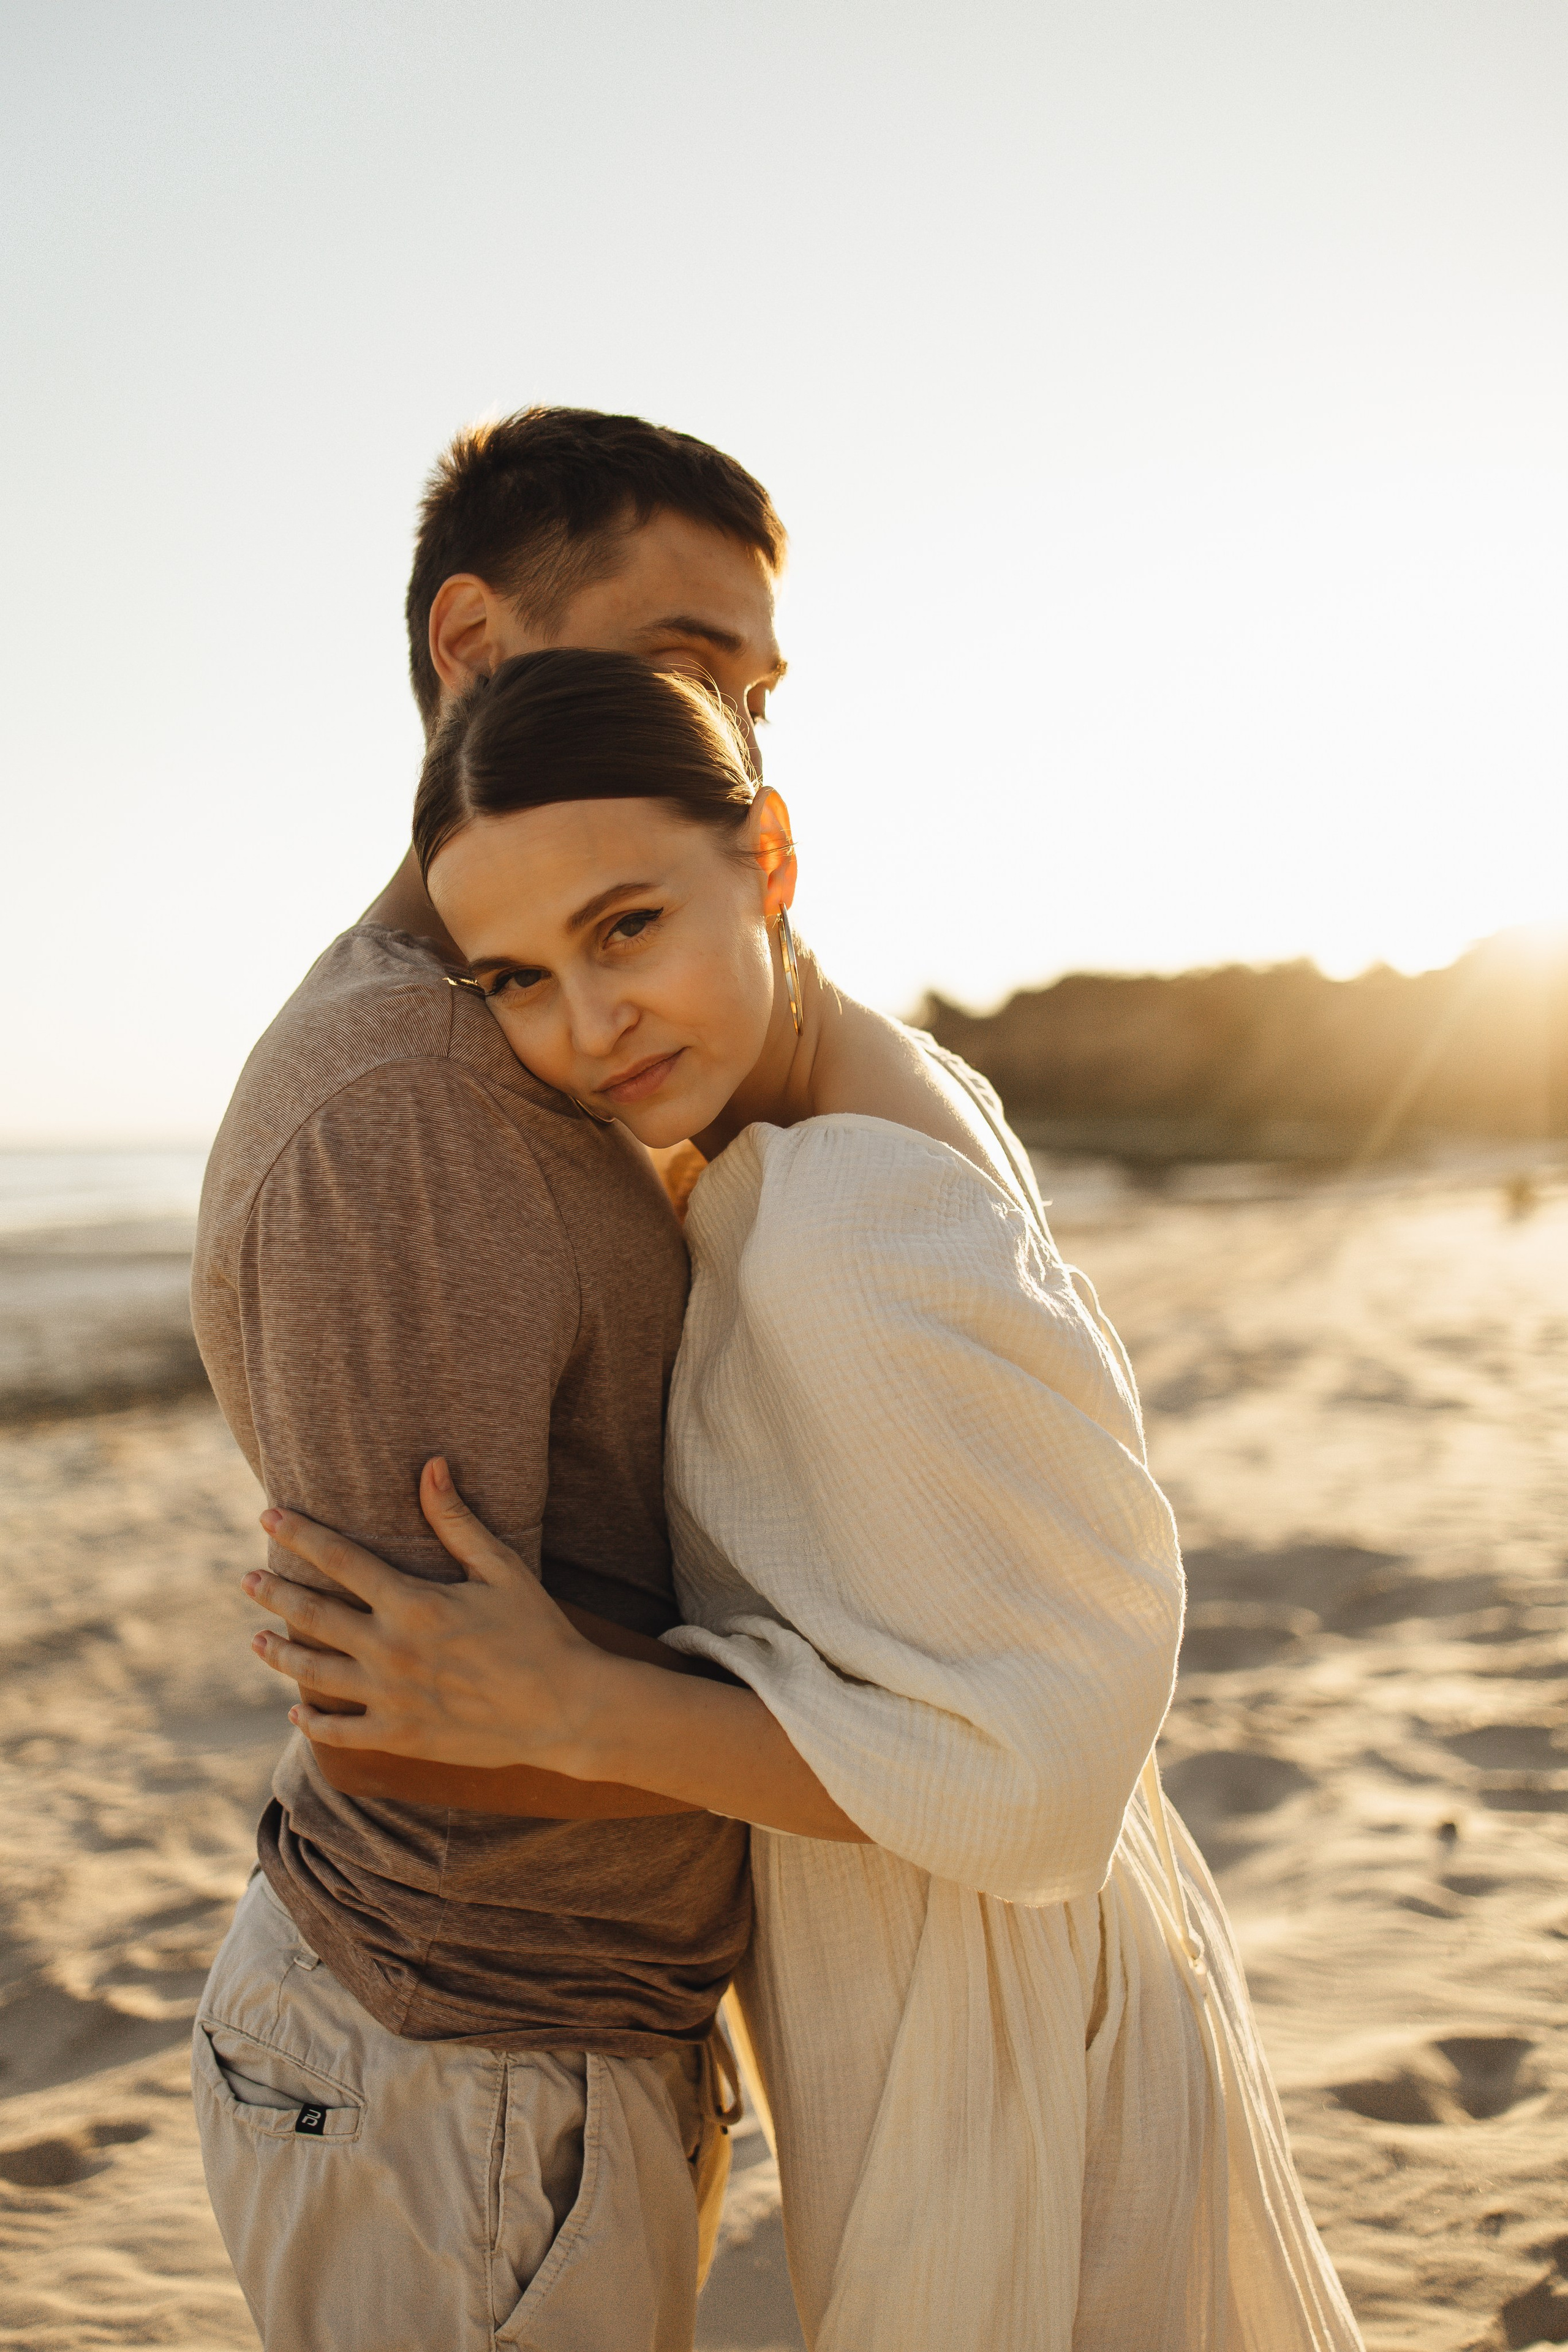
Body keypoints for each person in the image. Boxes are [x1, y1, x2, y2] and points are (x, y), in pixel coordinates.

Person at [242, 652, 1365, 2351]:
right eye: (519, 978)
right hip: (970, 1977)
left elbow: (1047, 1772)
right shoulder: (861, 1088)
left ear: (769, 857)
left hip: (984, 2018)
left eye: (629, 928)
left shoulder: (846, 1228)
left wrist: (577, 1708)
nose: (589, 1026)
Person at [189, 407, 793, 2352]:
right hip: (460, 2070)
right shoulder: (412, 1104)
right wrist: (887, 1741)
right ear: (472, 646)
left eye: (758, 690)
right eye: (690, 662)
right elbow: (407, 1718)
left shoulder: (548, 1045)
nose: (739, 729)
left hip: (547, 2045)